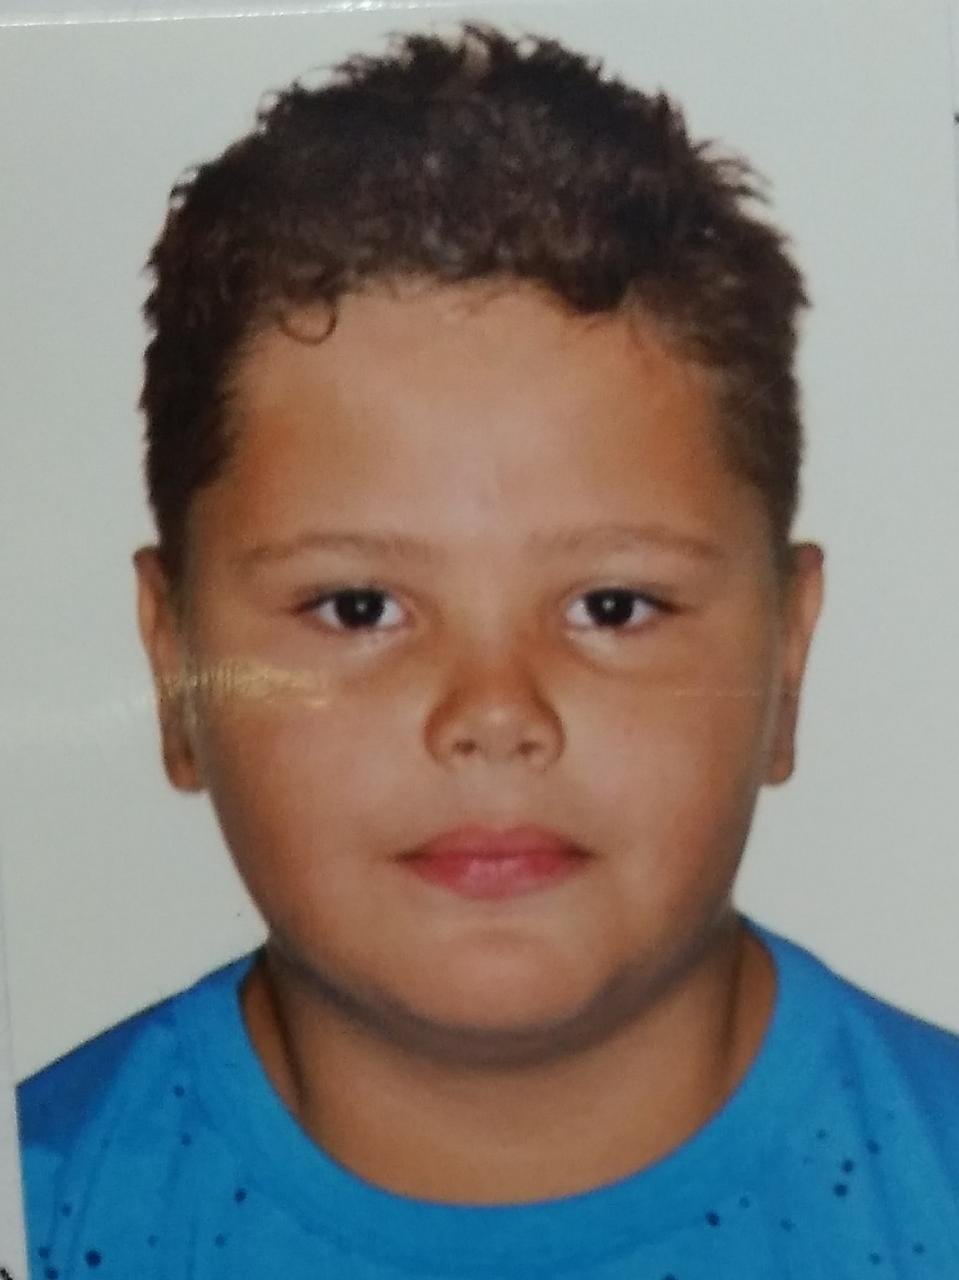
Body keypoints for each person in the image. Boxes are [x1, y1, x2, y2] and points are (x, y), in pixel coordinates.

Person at [15, 23, 959, 1279]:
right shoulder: (41, 1206)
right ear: (177, 670)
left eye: (610, 605)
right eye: (359, 607)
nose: (495, 711)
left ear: (784, 664)